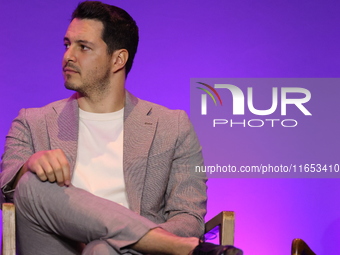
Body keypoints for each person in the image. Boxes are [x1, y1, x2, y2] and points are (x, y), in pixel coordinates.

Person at [0, 1, 242, 255]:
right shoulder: (32, 121)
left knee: (102, 250)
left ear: (118, 59)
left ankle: (126, 242)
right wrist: (31, 165)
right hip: (56, 248)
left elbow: (189, 216)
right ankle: (182, 249)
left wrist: (118, 244)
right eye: (67, 44)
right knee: (31, 181)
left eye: (83, 47)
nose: (68, 55)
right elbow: (6, 188)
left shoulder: (172, 126)